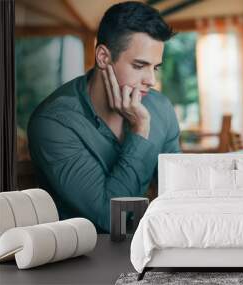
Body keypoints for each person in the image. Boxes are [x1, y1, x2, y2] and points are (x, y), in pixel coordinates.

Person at [27, 1, 180, 233]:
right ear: (103, 57)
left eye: (155, 67)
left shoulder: (160, 108)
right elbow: (110, 219)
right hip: (83, 259)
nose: (151, 80)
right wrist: (140, 131)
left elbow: (179, 196)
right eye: (140, 66)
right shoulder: (53, 123)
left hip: (148, 247)